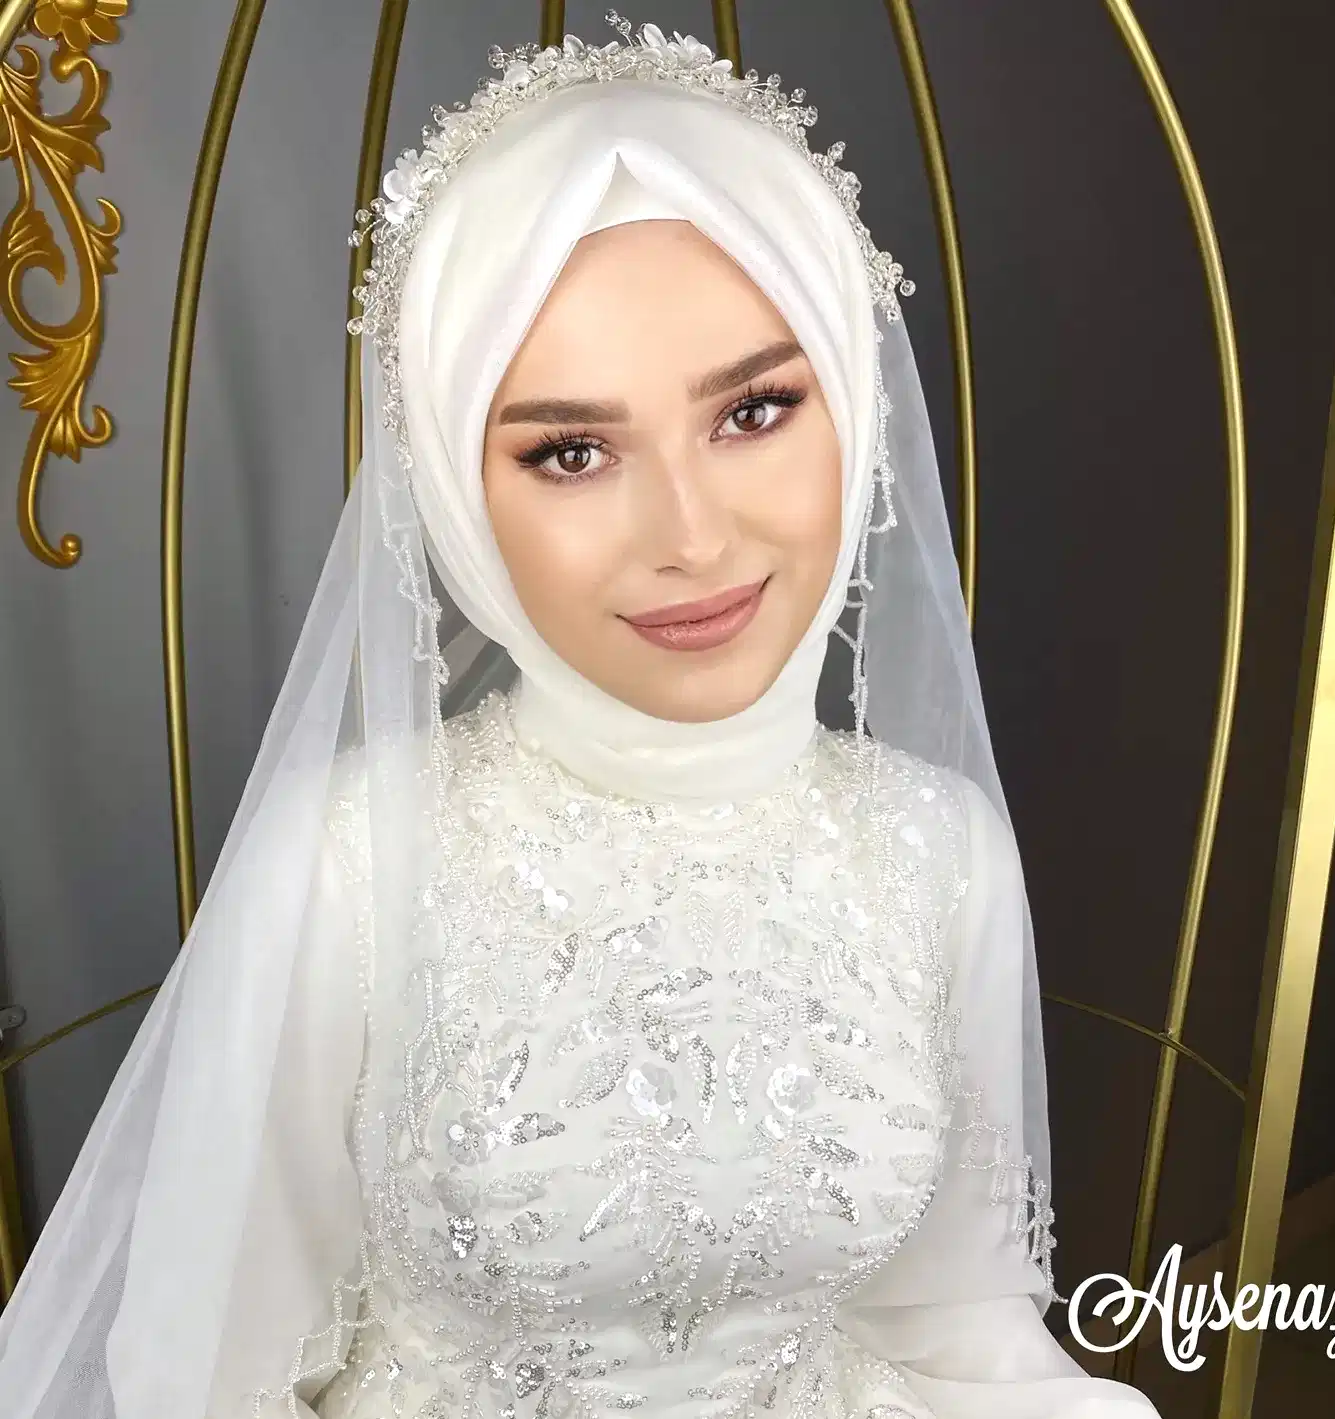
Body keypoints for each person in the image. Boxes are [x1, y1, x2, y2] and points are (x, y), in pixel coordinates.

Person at [0, 18, 1159, 1419]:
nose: (692, 536)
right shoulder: (351, 866)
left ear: (853, 402)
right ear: (450, 488)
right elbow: (205, 1379)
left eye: (754, 412)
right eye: (570, 451)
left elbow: (957, 1324)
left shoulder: (937, 849)